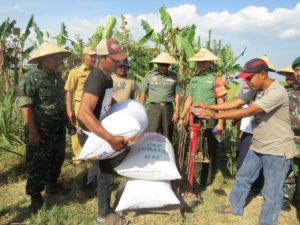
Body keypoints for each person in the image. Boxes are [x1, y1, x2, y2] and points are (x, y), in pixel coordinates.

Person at [196, 58, 298, 225]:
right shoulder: (256, 89)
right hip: (258, 144)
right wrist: (209, 107)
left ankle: (267, 222)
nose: (247, 81)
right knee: (243, 177)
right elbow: (238, 102)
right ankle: (235, 207)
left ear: (263, 74)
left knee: (271, 193)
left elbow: (250, 110)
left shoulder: (277, 92)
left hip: (277, 150)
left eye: (249, 77)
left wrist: (216, 116)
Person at [77, 38, 128, 224]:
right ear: (103, 58)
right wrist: (110, 138)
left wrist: (123, 107)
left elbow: (105, 99)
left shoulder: (107, 77)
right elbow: (83, 113)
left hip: (96, 130)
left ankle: (83, 189)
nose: (119, 63)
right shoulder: (97, 77)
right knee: (106, 173)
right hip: (90, 133)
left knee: (96, 165)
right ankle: (104, 214)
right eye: (115, 59)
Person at [18, 42, 71, 213]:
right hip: (40, 131)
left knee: (57, 158)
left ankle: (52, 185)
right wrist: (33, 131)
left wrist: (68, 123)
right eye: (55, 58)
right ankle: (35, 196)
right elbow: (26, 107)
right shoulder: (29, 78)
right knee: (37, 163)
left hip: (57, 129)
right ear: (43, 59)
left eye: (59, 58)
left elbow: (61, 103)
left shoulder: (57, 78)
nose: (58, 61)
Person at [177, 48, 227, 205]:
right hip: (194, 120)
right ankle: (193, 179)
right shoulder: (194, 80)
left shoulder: (216, 79)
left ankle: (204, 181)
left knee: (208, 149)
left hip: (210, 119)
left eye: (204, 62)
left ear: (210, 62)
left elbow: (221, 102)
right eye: (199, 62)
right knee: (193, 149)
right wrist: (182, 117)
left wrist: (220, 122)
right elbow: (188, 100)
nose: (201, 64)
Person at [64, 46, 96, 165]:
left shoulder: (97, 71)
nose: (94, 58)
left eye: (95, 56)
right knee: (78, 130)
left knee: (93, 129)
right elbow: (69, 92)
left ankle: (90, 154)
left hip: (93, 106)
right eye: (91, 56)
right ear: (84, 57)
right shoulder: (75, 72)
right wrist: (69, 111)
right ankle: (78, 158)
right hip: (79, 105)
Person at [139, 52, 181, 142]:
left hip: (168, 108)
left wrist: (177, 113)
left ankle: (166, 154)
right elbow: (143, 93)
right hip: (154, 108)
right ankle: (151, 154)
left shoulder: (174, 77)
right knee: (151, 134)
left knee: (167, 135)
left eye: (166, 65)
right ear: (157, 64)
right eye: (162, 65)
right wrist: (140, 110)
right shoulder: (149, 75)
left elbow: (177, 95)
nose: (164, 67)